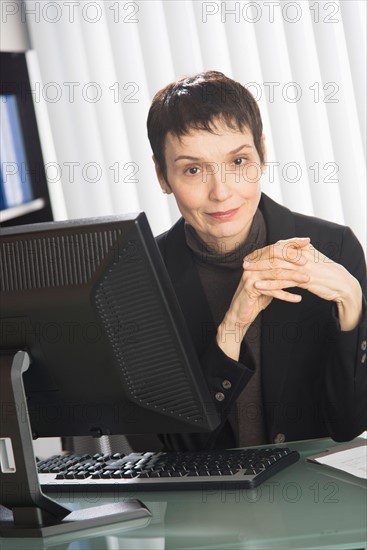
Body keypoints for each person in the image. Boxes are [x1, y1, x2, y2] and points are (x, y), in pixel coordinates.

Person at [147, 70, 367, 451]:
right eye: (193, 169)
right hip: (210, 505)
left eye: (238, 161)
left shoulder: (335, 247)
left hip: (313, 494)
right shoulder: (146, 276)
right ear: (162, 176)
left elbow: (349, 425)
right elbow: (181, 447)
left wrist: (353, 301)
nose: (221, 192)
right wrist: (233, 325)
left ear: (262, 154)